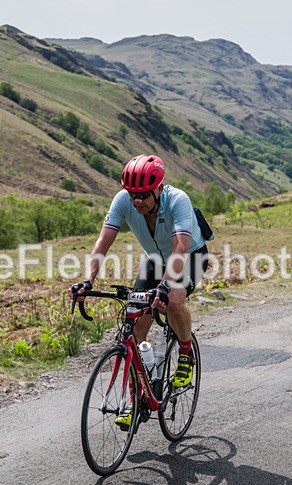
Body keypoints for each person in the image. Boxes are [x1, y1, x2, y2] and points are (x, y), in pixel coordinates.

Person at [69, 154, 209, 426]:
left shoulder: (178, 200)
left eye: (143, 195)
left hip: (190, 257)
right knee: (134, 322)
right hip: (155, 260)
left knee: (174, 300)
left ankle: (185, 352)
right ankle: (134, 397)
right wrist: (87, 281)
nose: (137, 201)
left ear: (159, 188)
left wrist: (167, 286)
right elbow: (103, 242)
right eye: (133, 194)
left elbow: (180, 246)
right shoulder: (123, 201)